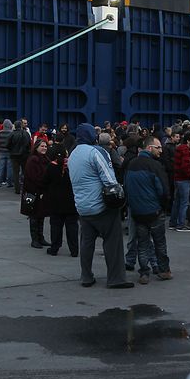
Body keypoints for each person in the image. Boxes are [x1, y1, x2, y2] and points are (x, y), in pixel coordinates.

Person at [68, 123, 130, 288]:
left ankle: (86, 276)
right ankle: (116, 279)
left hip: (82, 206)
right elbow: (110, 180)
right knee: (112, 241)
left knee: (87, 242)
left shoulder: (73, 154)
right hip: (101, 206)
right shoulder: (95, 152)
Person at [124, 136, 173, 284]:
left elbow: (127, 187)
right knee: (159, 243)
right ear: (149, 148)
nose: (161, 150)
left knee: (142, 243)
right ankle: (163, 270)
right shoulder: (155, 166)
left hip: (138, 212)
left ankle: (144, 272)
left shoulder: (131, 164)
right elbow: (163, 190)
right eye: (158, 148)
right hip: (154, 211)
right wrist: (163, 207)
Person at [43, 145, 79, 257]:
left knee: (56, 226)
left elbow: (45, 182)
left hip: (55, 200)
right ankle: (74, 250)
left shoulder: (51, 166)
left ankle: (54, 248)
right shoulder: (72, 166)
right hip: (71, 200)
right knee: (72, 227)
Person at [21, 138, 51, 247]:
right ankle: (35, 239)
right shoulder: (33, 159)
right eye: (42, 146)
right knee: (34, 215)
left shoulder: (45, 159)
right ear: (37, 147)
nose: (44, 148)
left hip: (42, 191)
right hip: (33, 191)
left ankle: (40, 237)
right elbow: (33, 177)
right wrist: (44, 184)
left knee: (41, 214)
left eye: (45, 146)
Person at [171, 134, 190, 231]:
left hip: (177, 178)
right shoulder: (185, 150)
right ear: (188, 141)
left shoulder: (178, 148)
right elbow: (186, 166)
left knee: (177, 201)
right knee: (184, 202)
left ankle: (173, 223)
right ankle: (181, 224)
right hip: (184, 179)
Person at [7, 120, 33, 194]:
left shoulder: (12, 134)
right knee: (25, 172)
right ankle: (25, 187)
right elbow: (29, 144)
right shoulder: (26, 134)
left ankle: (17, 189)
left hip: (14, 156)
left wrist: (11, 150)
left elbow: (7, 145)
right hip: (24, 155)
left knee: (16, 172)